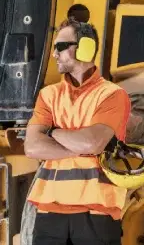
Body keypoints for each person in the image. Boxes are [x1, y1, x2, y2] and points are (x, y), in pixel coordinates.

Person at [24, 17, 131, 245]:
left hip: (96, 212)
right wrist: (82, 145)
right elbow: (32, 147)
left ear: (86, 48)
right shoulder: (48, 95)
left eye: (61, 47)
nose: (54, 54)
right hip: (49, 213)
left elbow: (93, 143)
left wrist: (52, 131)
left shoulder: (112, 95)